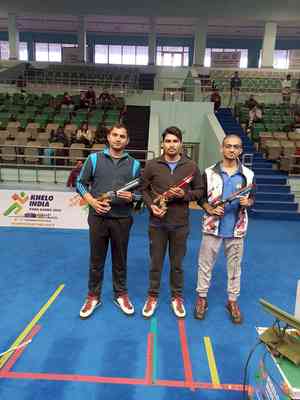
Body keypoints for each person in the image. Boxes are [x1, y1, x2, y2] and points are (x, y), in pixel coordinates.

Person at [76, 123, 141, 319]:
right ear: (109, 137)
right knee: (96, 260)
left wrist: (133, 198)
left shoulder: (135, 164)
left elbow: (140, 194)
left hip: (122, 219)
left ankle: (120, 294)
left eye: (122, 136)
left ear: (127, 140)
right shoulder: (94, 159)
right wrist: (93, 202)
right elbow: (79, 183)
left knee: (120, 260)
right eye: (115, 135)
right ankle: (93, 296)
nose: (118, 139)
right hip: (98, 218)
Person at [141, 126, 205, 319]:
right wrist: (151, 206)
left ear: (181, 144)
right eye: (168, 141)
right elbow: (143, 189)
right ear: (162, 143)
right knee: (156, 263)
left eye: (175, 141)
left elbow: (200, 190)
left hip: (180, 225)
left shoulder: (191, 166)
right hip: (157, 223)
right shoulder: (152, 165)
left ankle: (177, 297)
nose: (171, 145)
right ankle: (152, 296)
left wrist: (185, 195)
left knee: (177, 264)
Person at [194, 134, 255, 324]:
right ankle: (202, 298)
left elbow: (252, 198)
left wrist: (248, 202)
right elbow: (200, 198)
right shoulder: (209, 172)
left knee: (235, 268)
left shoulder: (248, 175)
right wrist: (210, 208)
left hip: (236, 230)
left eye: (236, 147)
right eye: (228, 146)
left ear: (240, 150)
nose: (231, 150)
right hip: (212, 227)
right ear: (222, 148)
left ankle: (232, 301)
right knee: (205, 265)